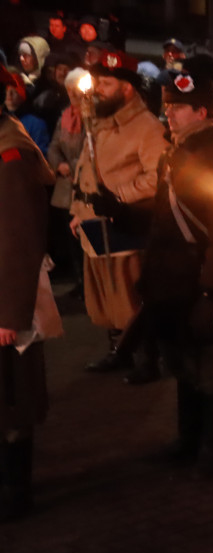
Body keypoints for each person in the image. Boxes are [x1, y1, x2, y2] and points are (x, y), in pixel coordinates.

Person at [136, 63, 213, 475]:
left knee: (209, 365)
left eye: (180, 107)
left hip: (199, 276)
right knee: (180, 359)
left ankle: (211, 450)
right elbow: (163, 219)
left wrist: (211, 291)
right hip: (170, 276)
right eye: (169, 106)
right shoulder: (173, 153)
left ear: (202, 112)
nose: (170, 114)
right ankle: (188, 439)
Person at [69, 49, 169, 375]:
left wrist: (117, 199)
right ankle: (118, 349)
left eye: (106, 83)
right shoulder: (96, 125)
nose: (98, 89)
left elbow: (157, 178)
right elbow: (85, 171)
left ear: (127, 88)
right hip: (94, 226)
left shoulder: (147, 127)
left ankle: (144, 357)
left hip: (126, 226)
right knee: (106, 295)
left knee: (130, 296)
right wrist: (78, 210)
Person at [0, 63, 60, 521]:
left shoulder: (10, 157)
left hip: (5, 305)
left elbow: (19, 242)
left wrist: (10, 314)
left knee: (12, 405)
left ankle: (16, 492)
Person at [46, 67, 88, 286]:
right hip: (65, 186)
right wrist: (59, 164)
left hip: (83, 184)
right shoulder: (65, 116)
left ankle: (87, 283)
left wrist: (73, 166)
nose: (73, 94)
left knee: (85, 237)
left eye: (76, 90)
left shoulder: (92, 117)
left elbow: (93, 148)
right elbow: (54, 145)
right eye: (69, 90)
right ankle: (79, 280)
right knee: (69, 239)